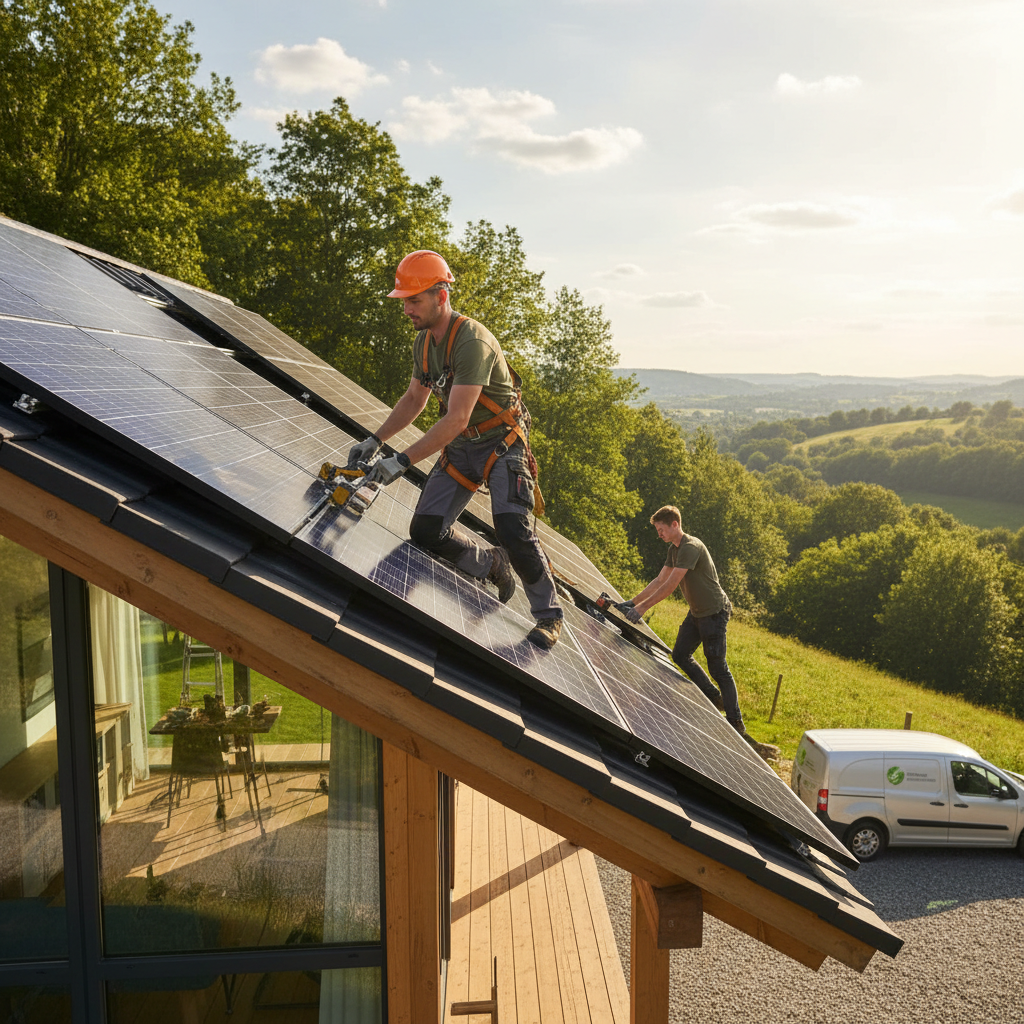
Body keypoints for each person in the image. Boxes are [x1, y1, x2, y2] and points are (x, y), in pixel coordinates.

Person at [356, 250, 563, 649]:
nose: (407, 310)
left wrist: (401, 460)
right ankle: (491, 563)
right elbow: (415, 399)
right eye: (404, 301)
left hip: (501, 446)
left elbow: (457, 419)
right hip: (463, 449)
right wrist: (376, 439)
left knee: (511, 528)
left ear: (441, 294)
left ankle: (549, 615)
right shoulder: (423, 344)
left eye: (414, 300)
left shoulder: (472, 341)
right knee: (426, 530)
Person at [621, 505, 750, 737]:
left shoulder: (690, 547)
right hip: (697, 613)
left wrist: (642, 609)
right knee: (680, 654)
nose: (659, 534)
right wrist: (632, 602)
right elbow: (660, 579)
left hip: (714, 613)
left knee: (718, 668)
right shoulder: (675, 549)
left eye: (661, 529)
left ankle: (736, 723)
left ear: (675, 525)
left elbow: (670, 586)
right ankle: (713, 696)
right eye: (657, 530)